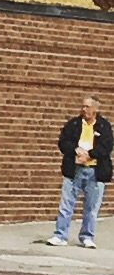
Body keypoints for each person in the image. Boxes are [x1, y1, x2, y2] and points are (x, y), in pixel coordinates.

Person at [55, 91, 109, 247]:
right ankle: (60, 235)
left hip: (95, 171)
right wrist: (75, 150)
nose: (84, 109)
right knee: (66, 204)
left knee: (91, 207)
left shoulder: (103, 126)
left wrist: (90, 154)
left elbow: (106, 146)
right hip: (74, 169)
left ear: (95, 109)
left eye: (87, 106)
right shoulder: (73, 124)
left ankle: (87, 236)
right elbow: (63, 142)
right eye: (83, 106)